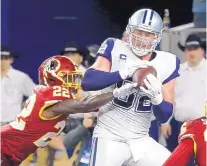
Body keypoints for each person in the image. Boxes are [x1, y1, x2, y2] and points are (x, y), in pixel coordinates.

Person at [82, 8, 180, 166]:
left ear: (157, 37)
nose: (142, 38)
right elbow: (87, 81)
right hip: (109, 137)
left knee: (174, 163)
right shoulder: (114, 47)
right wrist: (121, 73)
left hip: (140, 140)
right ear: (129, 31)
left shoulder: (168, 62)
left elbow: (165, 117)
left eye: (148, 34)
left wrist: (157, 99)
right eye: (139, 32)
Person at [1, 56, 138, 166]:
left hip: (12, 153)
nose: (73, 83)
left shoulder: (52, 100)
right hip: (4, 148)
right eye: (68, 78)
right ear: (52, 78)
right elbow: (84, 105)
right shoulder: (51, 94)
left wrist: (122, 100)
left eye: (74, 78)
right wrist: (116, 93)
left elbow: (93, 106)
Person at [162, 34, 206, 153]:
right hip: (178, 126)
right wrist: (165, 122)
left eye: (195, 49)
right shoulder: (177, 71)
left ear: (202, 50)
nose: (192, 53)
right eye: (188, 49)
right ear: (185, 52)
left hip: (202, 127)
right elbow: (169, 97)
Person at [1, 46, 36, 125]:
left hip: (11, 124)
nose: (2, 61)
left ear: (11, 60)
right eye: (0, 58)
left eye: (6, 58)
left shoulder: (20, 77)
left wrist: (26, 107)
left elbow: (37, 95)